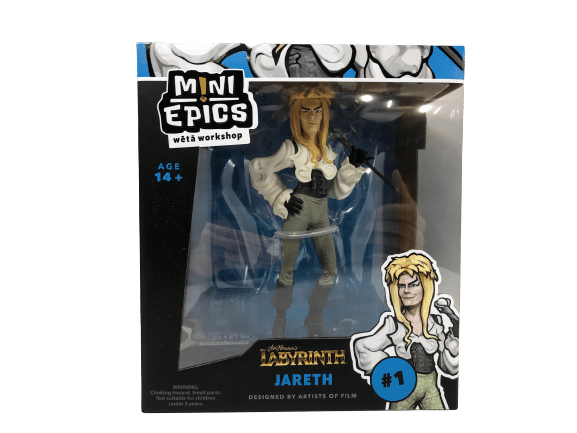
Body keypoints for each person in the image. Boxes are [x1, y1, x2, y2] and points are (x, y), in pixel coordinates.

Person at [249, 86, 369, 337]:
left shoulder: (328, 151)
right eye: (305, 111)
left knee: (331, 271)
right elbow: (259, 168)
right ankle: (280, 319)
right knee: (287, 270)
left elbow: (335, 191)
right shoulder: (292, 149)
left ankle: (314, 318)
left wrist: (353, 165)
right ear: (296, 115)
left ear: (325, 114)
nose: (312, 116)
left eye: (317, 111)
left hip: (322, 210)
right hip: (299, 208)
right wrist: (280, 196)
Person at [351, 251, 459, 410]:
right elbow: (363, 346)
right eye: (401, 286)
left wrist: (452, 350)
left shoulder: (435, 323)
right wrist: (387, 369)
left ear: (426, 286)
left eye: (413, 284)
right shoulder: (394, 325)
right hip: (403, 386)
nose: (407, 291)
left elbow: (446, 366)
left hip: (431, 387)